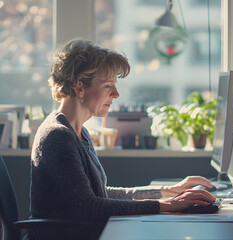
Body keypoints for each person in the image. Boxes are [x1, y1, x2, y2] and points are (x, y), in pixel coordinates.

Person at [28, 39, 216, 240]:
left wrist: (167, 192)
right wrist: (166, 206)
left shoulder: (79, 132)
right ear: (79, 86)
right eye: (108, 85)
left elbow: (101, 194)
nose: (116, 94)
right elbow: (88, 207)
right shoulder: (58, 136)